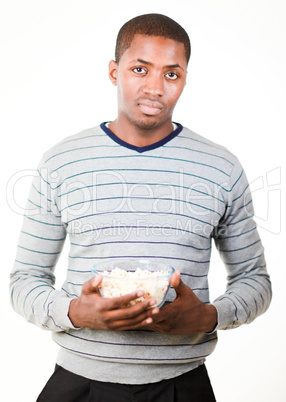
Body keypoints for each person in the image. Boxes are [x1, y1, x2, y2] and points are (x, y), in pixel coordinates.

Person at [10, 13, 272, 402]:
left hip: (183, 385)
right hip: (78, 384)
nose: (154, 87)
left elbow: (256, 281)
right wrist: (77, 313)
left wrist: (208, 316)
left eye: (171, 74)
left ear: (184, 79)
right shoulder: (61, 162)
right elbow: (24, 280)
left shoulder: (222, 167)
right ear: (115, 72)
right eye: (140, 69)